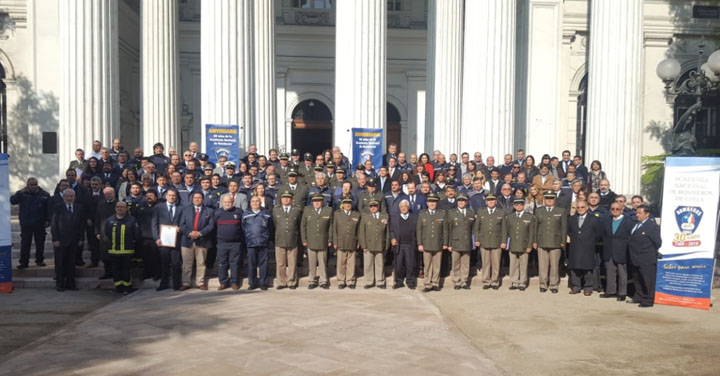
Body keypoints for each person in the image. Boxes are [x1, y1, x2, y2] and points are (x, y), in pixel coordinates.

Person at [11, 177, 50, 269]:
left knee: (40, 243)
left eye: (35, 184)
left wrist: (48, 220)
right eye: (31, 185)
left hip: (39, 223)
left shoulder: (44, 194)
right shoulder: (22, 194)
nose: (33, 186)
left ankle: (39, 260)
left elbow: (49, 209)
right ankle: (24, 262)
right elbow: (12, 201)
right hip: (26, 223)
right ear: (27, 185)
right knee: (25, 243)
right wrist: (20, 192)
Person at [179, 192, 215, 291]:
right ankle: (186, 282)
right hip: (187, 240)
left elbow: (211, 226)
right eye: (195, 198)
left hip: (203, 240)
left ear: (203, 199)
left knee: (201, 263)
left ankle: (200, 282)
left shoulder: (209, 211)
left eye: (199, 198)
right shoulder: (185, 210)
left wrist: (200, 233)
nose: (197, 199)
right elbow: (182, 224)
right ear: (192, 199)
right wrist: (189, 233)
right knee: (186, 263)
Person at [50, 189, 85, 291]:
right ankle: (60, 284)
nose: (69, 198)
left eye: (71, 196)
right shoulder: (57, 208)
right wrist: (55, 239)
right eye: (67, 196)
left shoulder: (79, 208)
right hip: (60, 240)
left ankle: (71, 284)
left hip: (74, 240)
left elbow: (81, 225)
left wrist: (81, 238)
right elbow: (54, 225)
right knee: (60, 263)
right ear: (64, 197)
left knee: (71, 263)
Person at [628, 205, 662, 307]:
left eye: (639, 213)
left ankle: (648, 299)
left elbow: (658, 242)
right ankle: (638, 296)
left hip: (646, 258)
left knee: (648, 280)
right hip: (634, 257)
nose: (637, 215)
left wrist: (647, 250)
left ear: (647, 214)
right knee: (637, 279)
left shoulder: (652, 226)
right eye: (636, 213)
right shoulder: (635, 224)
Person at [533, 191, 567, 294]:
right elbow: (535, 227)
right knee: (543, 265)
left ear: (554, 199)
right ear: (544, 199)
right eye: (547, 198)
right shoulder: (539, 211)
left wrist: (563, 241)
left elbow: (563, 227)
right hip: (542, 241)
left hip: (555, 241)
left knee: (554, 265)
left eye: (551, 198)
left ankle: (553, 285)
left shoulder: (561, 211)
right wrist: (535, 241)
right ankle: (543, 284)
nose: (549, 200)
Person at [567, 200, 603, 296]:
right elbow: (569, 231)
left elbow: (598, 233)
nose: (580, 209)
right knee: (574, 268)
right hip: (575, 246)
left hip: (588, 246)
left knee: (588, 268)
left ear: (587, 208)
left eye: (582, 207)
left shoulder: (594, 219)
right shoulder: (571, 219)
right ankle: (576, 287)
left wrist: (590, 240)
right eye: (578, 207)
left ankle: (588, 287)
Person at [600, 202, 634, 301]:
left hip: (622, 251)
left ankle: (622, 293)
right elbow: (603, 235)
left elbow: (630, 236)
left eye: (617, 209)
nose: (615, 211)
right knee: (610, 272)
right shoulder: (606, 220)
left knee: (622, 273)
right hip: (609, 250)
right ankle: (611, 291)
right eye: (613, 209)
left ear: (622, 210)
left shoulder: (628, 221)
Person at [104, 201, 140, 294]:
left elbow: (136, 234)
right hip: (113, 251)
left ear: (126, 209)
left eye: (122, 207)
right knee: (115, 271)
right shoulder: (110, 220)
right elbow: (107, 233)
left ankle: (128, 288)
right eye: (118, 207)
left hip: (127, 251)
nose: (119, 208)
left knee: (126, 271)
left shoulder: (131, 220)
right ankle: (118, 288)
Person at [152, 189, 183, 291]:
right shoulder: (158, 207)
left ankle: (176, 284)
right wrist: (156, 238)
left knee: (176, 263)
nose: (171, 197)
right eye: (169, 195)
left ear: (176, 197)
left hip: (176, 240)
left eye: (174, 195)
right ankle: (163, 283)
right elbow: (154, 224)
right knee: (164, 263)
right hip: (163, 240)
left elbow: (184, 222)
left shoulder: (181, 208)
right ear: (166, 196)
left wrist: (180, 229)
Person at [301, 193, 334, 289]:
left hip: (323, 241)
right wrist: (304, 239)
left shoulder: (328, 210)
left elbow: (331, 226)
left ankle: (323, 281)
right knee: (311, 263)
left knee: (322, 262)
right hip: (311, 241)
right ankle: (312, 280)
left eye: (319, 201)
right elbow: (303, 226)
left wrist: (330, 239)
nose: (317, 203)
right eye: (315, 201)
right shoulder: (307, 210)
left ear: (322, 202)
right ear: (312, 202)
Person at [272, 191, 303, 290]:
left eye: (288, 198)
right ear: (281, 199)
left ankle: (291, 281)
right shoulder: (276, 210)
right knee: (281, 263)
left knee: (292, 262)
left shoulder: (297, 210)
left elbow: (299, 224)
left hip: (292, 238)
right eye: (284, 198)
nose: (286, 199)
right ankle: (281, 281)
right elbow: (274, 224)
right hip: (280, 238)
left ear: (291, 199)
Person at [502, 198, 534, 291]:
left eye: (520, 204)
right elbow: (505, 231)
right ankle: (514, 282)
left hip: (524, 244)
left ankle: (523, 282)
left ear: (524, 205)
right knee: (513, 264)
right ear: (514, 206)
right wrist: (504, 242)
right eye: (516, 204)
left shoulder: (529, 217)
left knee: (523, 265)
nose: (518, 206)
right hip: (512, 244)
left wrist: (529, 245)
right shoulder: (509, 217)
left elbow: (531, 233)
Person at [417, 193, 447, 292]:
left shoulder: (442, 213)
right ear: (427, 203)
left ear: (437, 203)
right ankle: (427, 284)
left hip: (438, 243)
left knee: (437, 265)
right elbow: (419, 230)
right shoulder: (422, 214)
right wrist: (420, 243)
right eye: (430, 202)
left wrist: (445, 243)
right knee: (427, 265)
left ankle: (435, 283)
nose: (432, 204)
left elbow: (445, 230)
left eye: (434, 202)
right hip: (426, 243)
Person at [473, 194, 504, 290]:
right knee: (485, 263)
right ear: (486, 202)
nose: (490, 202)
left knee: (496, 263)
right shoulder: (481, 212)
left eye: (492, 200)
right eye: (488, 200)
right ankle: (486, 281)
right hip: (484, 241)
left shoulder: (501, 212)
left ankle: (495, 281)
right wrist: (477, 239)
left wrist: (503, 241)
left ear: (496, 201)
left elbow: (504, 229)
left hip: (497, 241)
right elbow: (476, 228)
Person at [214, 195, 244, 290]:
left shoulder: (239, 212)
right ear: (222, 203)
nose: (227, 204)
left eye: (229, 202)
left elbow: (243, 227)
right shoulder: (217, 212)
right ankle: (223, 282)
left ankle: (234, 282)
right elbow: (214, 227)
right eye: (225, 202)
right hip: (222, 243)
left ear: (233, 202)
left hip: (235, 243)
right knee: (222, 263)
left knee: (235, 263)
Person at [359, 199, 390, 289]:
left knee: (380, 264)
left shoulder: (384, 216)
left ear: (378, 206)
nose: (373, 208)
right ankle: (369, 281)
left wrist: (387, 244)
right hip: (368, 245)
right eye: (371, 206)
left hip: (380, 244)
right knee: (368, 264)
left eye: (375, 206)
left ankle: (380, 281)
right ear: (369, 207)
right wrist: (363, 245)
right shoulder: (365, 217)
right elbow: (362, 232)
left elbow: (387, 232)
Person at [332, 196, 361, 289]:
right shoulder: (337, 214)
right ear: (343, 204)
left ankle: (350, 281)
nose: (347, 205)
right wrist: (335, 241)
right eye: (345, 203)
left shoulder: (356, 214)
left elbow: (359, 230)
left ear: (352, 204)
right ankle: (341, 281)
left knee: (351, 263)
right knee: (341, 263)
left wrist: (358, 242)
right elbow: (334, 229)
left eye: (349, 203)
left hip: (352, 241)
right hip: (341, 241)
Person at [446, 194, 475, 290]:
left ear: (466, 202)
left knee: (465, 263)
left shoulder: (470, 213)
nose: (461, 202)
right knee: (456, 263)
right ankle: (457, 281)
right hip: (455, 242)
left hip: (466, 242)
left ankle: (464, 281)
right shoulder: (452, 213)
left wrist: (473, 242)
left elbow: (473, 229)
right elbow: (449, 229)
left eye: (463, 200)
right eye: (459, 201)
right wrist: (449, 244)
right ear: (457, 202)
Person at [389, 200, 417, 289]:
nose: (403, 208)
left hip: (410, 244)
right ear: (399, 208)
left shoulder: (414, 218)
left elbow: (417, 231)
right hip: (399, 245)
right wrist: (392, 238)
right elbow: (391, 230)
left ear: (408, 207)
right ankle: (398, 281)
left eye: (405, 206)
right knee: (399, 264)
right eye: (401, 207)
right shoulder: (394, 218)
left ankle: (410, 281)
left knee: (410, 264)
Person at [95, 187, 118, 279]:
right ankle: (107, 272)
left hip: (116, 232)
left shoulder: (118, 203)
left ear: (114, 194)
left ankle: (115, 272)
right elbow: (97, 218)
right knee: (104, 253)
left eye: (109, 193)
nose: (108, 195)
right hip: (104, 232)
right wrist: (97, 232)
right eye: (106, 194)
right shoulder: (101, 204)